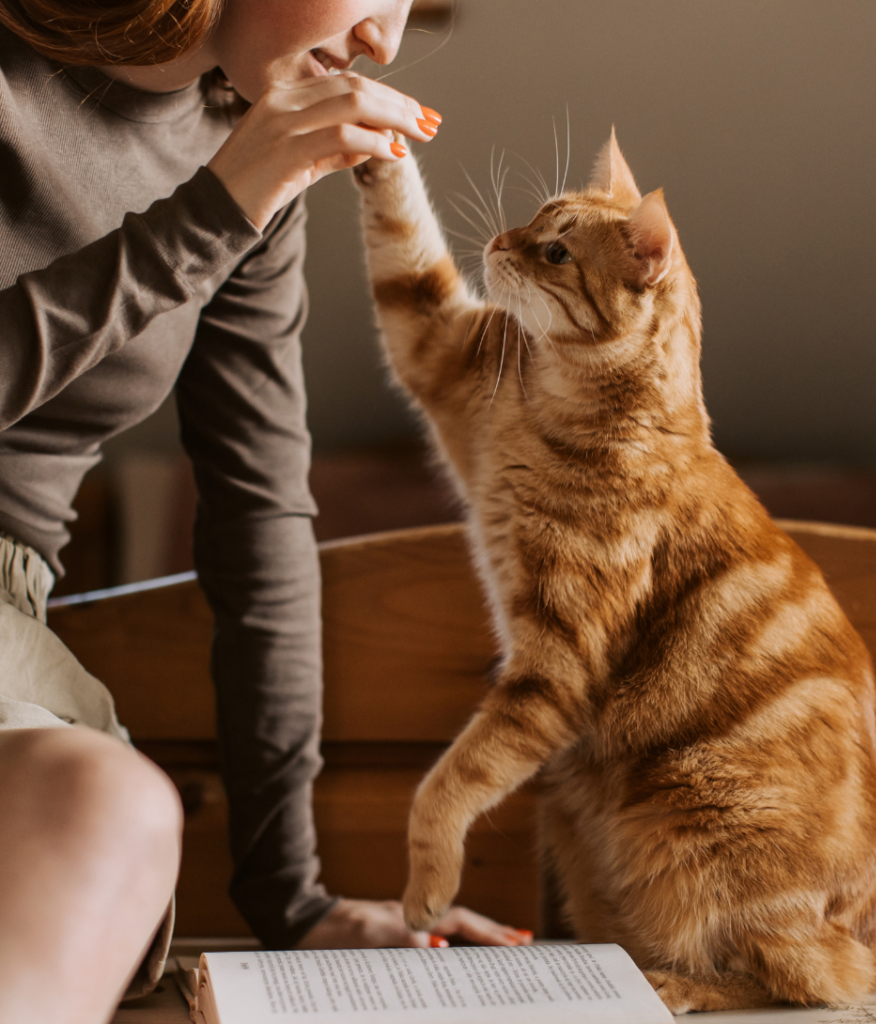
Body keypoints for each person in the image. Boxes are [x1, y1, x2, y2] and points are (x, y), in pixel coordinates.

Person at [0, 1, 529, 1020]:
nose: (384, 41)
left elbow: (260, 518)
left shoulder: (251, 170)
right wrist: (209, 216)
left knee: (105, 810)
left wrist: (290, 895)